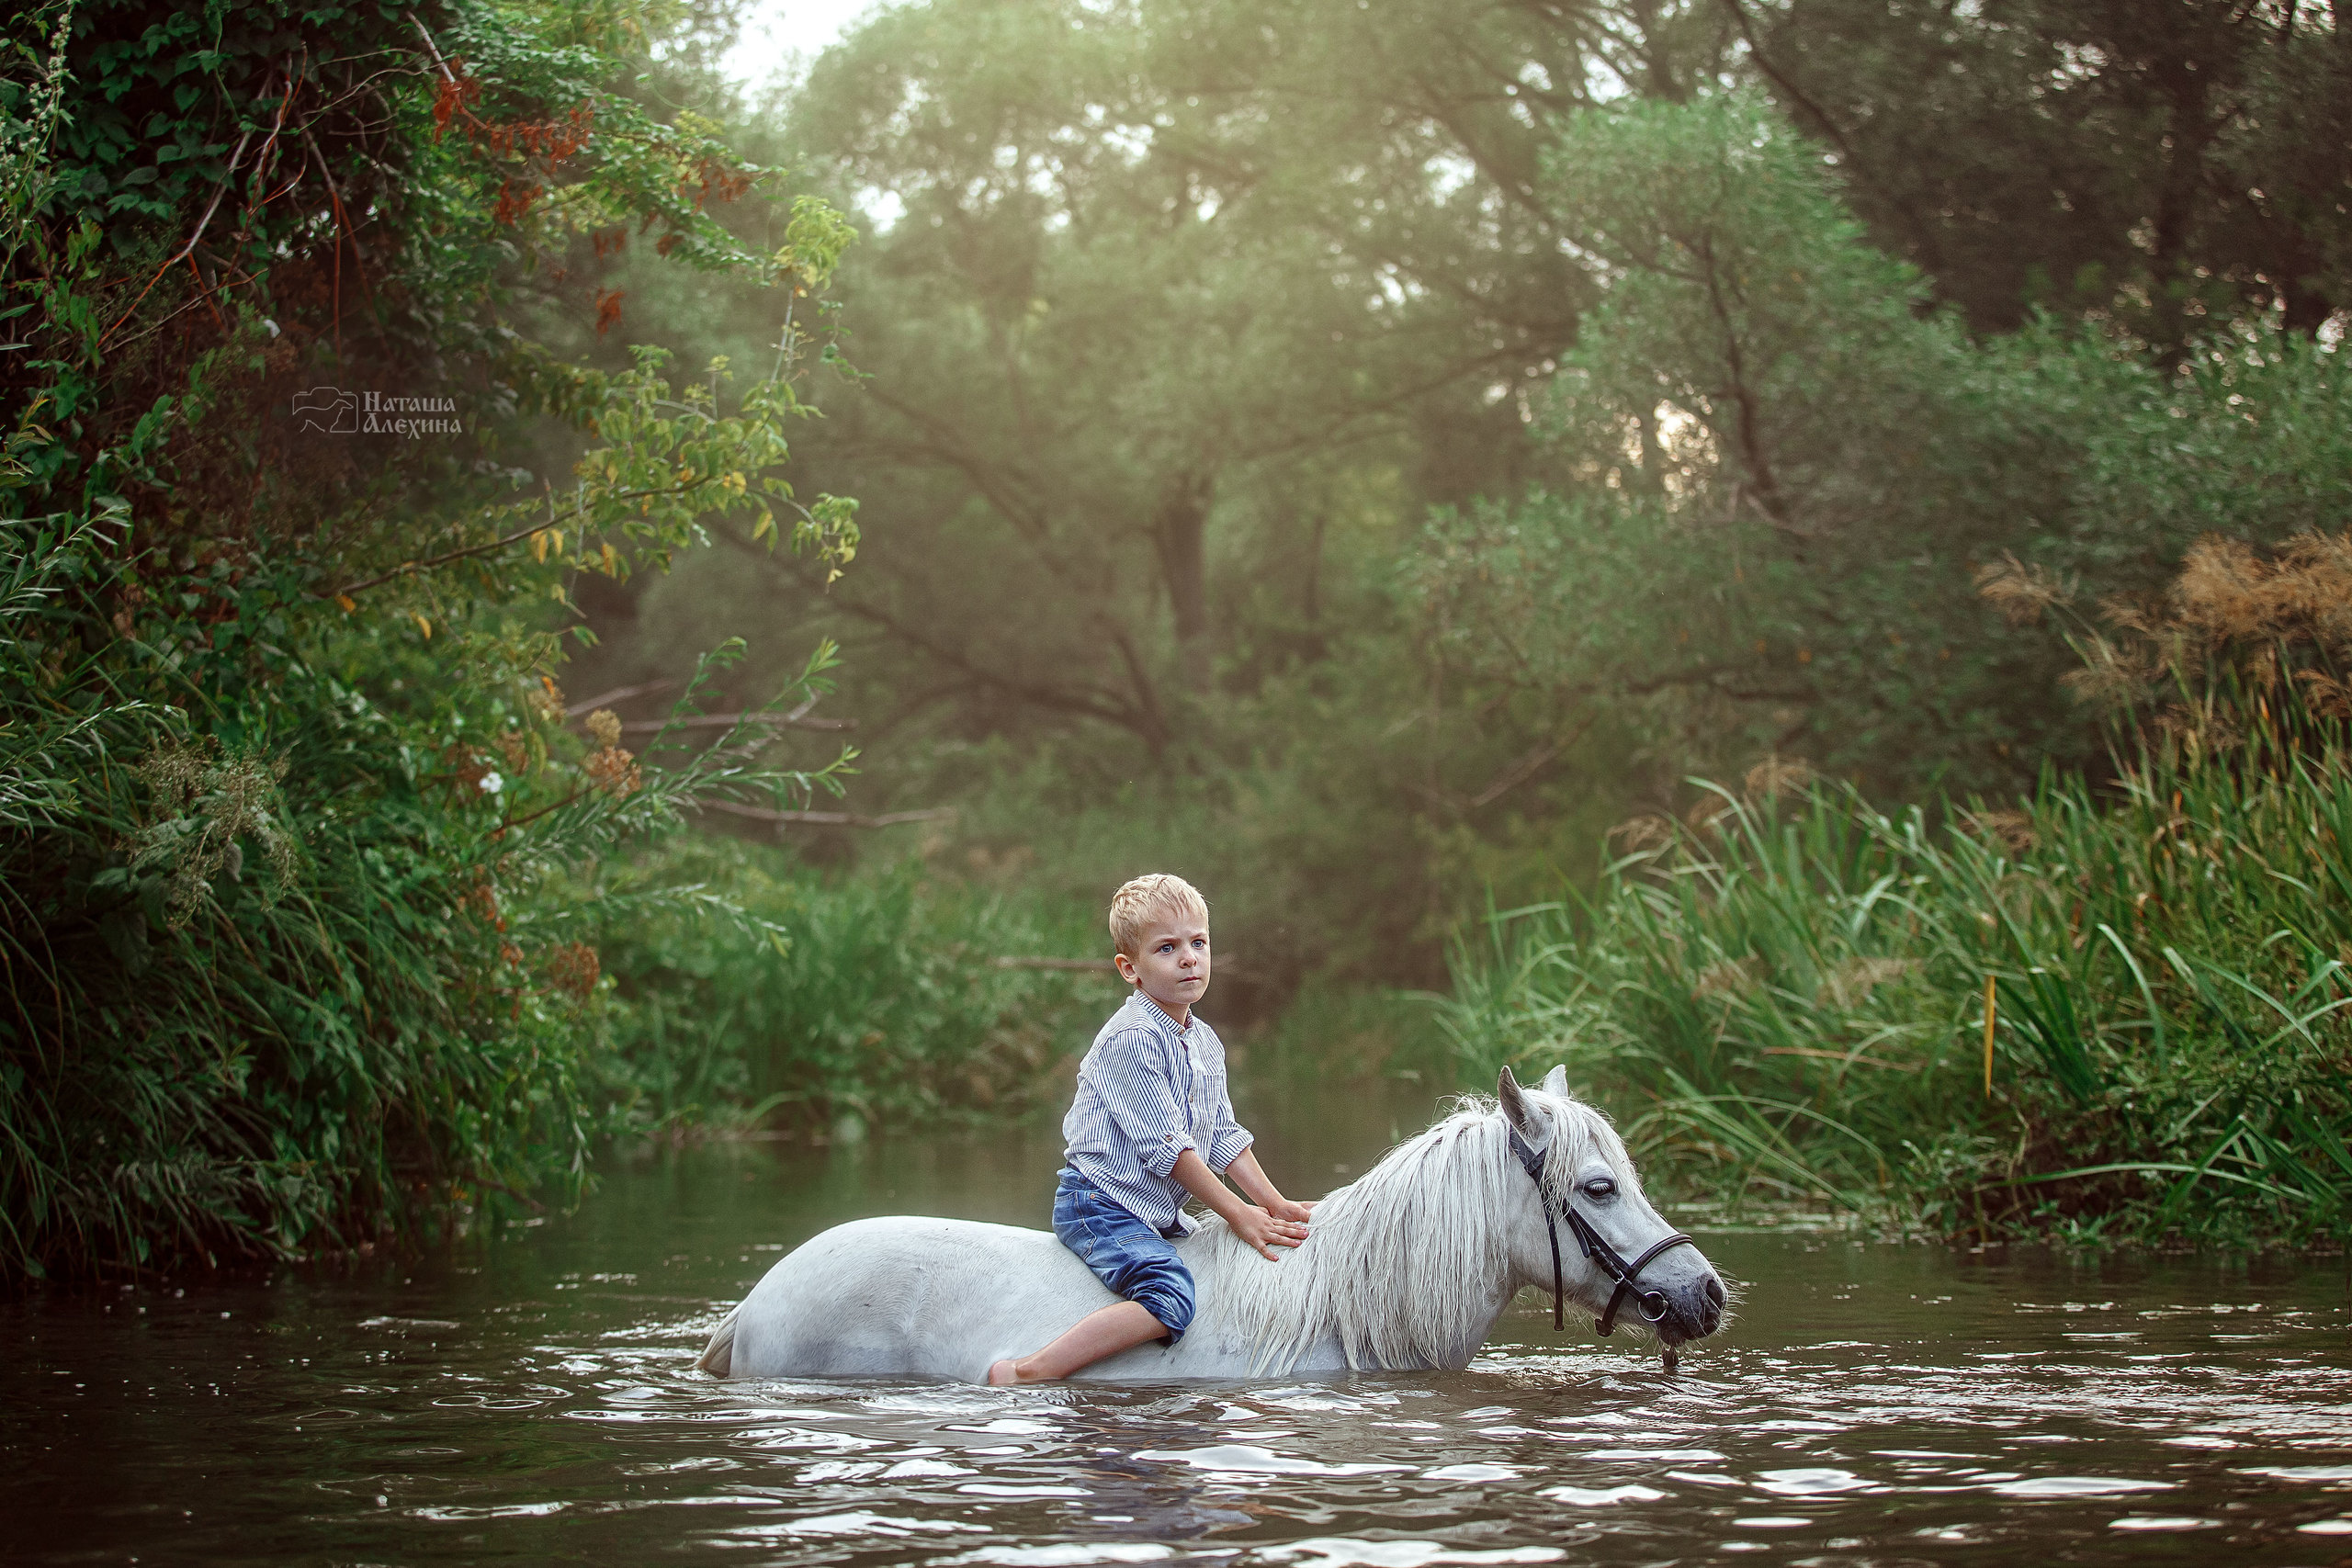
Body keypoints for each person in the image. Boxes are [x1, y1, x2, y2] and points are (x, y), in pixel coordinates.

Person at [988, 874, 1313, 1384]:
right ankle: (1028, 1372)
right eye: (1167, 948)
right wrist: (1238, 1213)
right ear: (1130, 969)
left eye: (1198, 943)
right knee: (1170, 1295)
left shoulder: (1204, 1042)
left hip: (1156, 1211)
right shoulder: (1132, 1039)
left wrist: (1275, 1204)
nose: (1189, 959)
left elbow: (1222, 1137)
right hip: (1101, 1204)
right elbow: (1172, 1151)